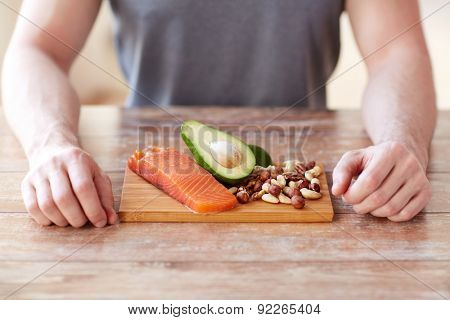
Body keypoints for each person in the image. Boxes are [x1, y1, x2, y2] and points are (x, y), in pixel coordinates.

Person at [2, 0, 435, 227]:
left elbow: (396, 53)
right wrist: (49, 145)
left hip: (297, 158)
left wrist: (403, 142)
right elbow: (37, 50)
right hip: (148, 174)